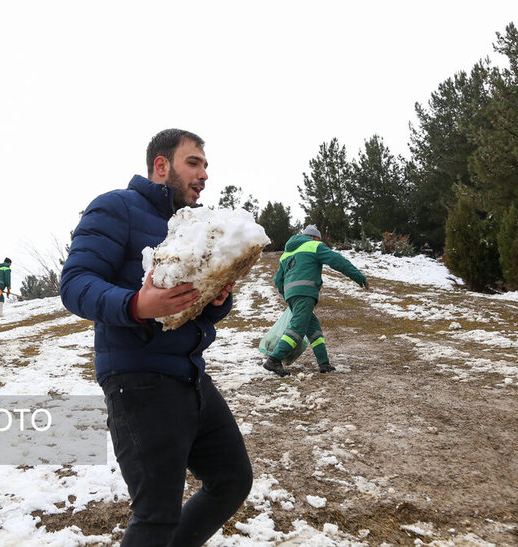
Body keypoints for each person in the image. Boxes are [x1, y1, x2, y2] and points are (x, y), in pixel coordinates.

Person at [60, 129, 252, 546]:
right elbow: (75, 284)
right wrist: (137, 305)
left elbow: (190, 304)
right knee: (156, 515)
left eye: (206, 166)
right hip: (139, 380)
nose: (203, 175)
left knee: (232, 480)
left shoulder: (195, 224)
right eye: (193, 163)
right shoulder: (117, 207)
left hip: (190, 375)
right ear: (161, 166)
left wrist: (217, 298)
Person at [262, 225, 369, 377]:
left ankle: (324, 363)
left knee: (314, 329)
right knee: (297, 328)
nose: (320, 241)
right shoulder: (314, 245)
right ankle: (274, 359)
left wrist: (288, 296)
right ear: (314, 237)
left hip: (293, 295)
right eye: (319, 239)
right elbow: (337, 260)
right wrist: (358, 276)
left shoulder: (287, 253)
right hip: (305, 293)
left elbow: (278, 280)